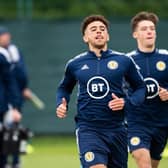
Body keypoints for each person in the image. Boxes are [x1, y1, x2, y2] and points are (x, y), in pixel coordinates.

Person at [56, 14, 146, 168]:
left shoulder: (124, 61)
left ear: (108, 35)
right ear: (85, 37)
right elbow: (64, 88)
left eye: (102, 29)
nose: (99, 32)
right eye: (93, 29)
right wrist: (61, 103)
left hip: (117, 129)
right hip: (88, 128)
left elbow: (140, 88)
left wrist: (126, 102)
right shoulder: (75, 64)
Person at [126, 11, 168, 168]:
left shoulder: (166, 58)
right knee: (144, 164)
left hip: (162, 123)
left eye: (152, 28)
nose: (149, 31)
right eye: (144, 29)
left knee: (152, 164)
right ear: (135, 34)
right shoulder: (127, 61)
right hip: (137, 123)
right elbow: (118, 90)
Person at [0, 26, 32, 168]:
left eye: (6, 35)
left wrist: (23, 89)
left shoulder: (13, 52)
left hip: (9, 101)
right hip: (9, 98)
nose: (5, 37)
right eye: (2, 35)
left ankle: (16, 161)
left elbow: (16, 77)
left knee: (15, 131)